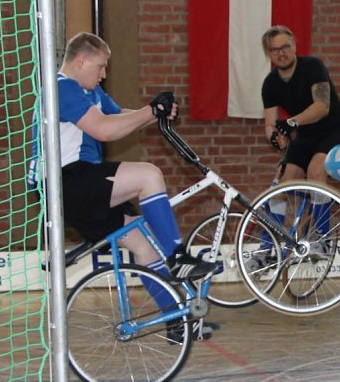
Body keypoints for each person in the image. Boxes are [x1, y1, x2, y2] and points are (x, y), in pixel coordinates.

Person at [30, 32, 216, 335]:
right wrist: (149, 111)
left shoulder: (87, 91)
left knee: (144, 245)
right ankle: (178, 257)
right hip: (66, 182)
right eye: (100, 66)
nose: (104, 74)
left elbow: (118, 117)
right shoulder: (62, 88)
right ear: (81, 61)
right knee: (149, 175)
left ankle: (176, 323)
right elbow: (105, 130)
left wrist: (156, 114)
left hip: (80, 185)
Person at [254, 26, 340, 264]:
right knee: (282, 186)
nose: (281, 53)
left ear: (294, 46)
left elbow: (322, 107)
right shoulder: (270, 83)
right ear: (269, 54)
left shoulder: (312, 67)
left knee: (315, 171)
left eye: (285, 47)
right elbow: (270, 124)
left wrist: (291, 122)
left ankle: (322, 238)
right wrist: (274, 136)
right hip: (306, 134)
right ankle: (268, 248)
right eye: (275, 50)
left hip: (335, 128)